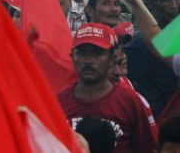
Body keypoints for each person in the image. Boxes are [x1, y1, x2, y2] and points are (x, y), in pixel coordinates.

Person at [57, 23, 157, 151]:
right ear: (72, 57)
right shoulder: (57, 103)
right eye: (81, 53)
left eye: (97, 53)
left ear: (112, 58)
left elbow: (147, 149)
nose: (88, 60)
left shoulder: (130, 102)